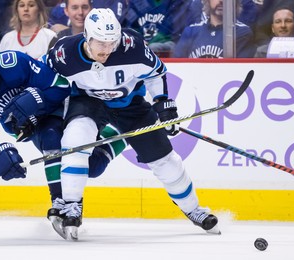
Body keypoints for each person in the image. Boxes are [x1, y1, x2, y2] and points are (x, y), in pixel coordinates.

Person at [46, 8, 220, 241]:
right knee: (75, 142)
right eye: (101, 43)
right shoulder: (64, 52)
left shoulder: (132, 46)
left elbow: (156, 73)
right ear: (87, 36)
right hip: (88, 102)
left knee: (165, 160)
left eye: (111, 43)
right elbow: (41, 77)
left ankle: (194, 210)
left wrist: (163, 105)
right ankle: (72, 206)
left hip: (129, 106)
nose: (107, 50)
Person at [0, 48, 126, 239]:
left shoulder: (13, 63)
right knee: (92, 167)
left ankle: (60, 201)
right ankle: (121, 135)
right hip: (32, 126)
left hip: (60, 108)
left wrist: (36, 99)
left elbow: (60, 86)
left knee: (54, 139)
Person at [173, 0, 256, 58]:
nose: (221, 1)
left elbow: (239, 72)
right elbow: (176, 66)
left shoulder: (242, 32)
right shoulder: (191, 31)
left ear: (235, 2)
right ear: (208, 1)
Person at [123, 0, 191, 57]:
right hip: (142, 50)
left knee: (153, 47)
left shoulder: (176, 3)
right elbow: (130, 30)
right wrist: (139, 40)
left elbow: (178, 35)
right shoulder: (136, 3)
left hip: (168, 48)